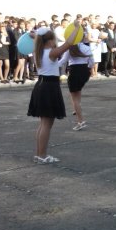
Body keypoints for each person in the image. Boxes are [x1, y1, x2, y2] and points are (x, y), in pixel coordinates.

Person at [27, 22, 81, 163]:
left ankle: (39, 154)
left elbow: (38, 38)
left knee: (43, 123)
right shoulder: (51, 53)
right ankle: (42, 155)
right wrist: (76, 28)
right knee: (46, 124)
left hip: (42, 85)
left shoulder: (38, 51)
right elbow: (69, 43)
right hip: (48, 87)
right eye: (54, 39)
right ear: (49, 41)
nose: (55, 42)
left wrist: (35, 35)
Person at [61, 41, 94, 131]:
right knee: (77, 92)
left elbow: (63, 61)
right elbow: (92, 62)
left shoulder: (70, 48)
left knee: (74, 98)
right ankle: (77, 111)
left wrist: (52, 65)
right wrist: (88, 68)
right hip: (84, 71)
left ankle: (80, 121)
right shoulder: (86, 47)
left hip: (74, 71)